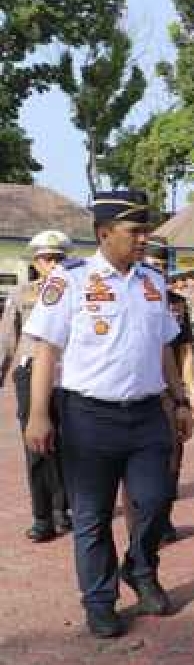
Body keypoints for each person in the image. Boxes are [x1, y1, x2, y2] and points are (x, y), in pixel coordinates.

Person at [23, 190, 194, 638]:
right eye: (134, 231)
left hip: (147, 415)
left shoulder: (152, 282)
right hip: (88, 417)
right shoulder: (70, 280)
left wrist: (179, 400)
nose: (143, 239)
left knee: (155, 500)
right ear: (104, 233)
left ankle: (139, 567)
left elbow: (164, 347)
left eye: (145, 231)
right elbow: (46, 350)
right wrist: (39, 414)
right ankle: (99, 601)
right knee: (92, 516)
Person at [1, 230, 73, 541]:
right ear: (36, 262)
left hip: (70, 374)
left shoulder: (77, 291)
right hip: (31, 372)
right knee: (36, 444)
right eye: (47, 259)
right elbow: (8, 335)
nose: (53, 264)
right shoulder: (22, 294)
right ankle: (42, 516)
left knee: (67, 443)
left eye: (59, 258)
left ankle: (62, 509)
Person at [142, 239, 194, 543]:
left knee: (173, 456)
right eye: (153, 265)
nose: (159, 271)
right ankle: (144, 520)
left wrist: (191, 392)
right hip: (139, 389)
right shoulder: (130, 295)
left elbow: (185, 350)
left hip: (170, 391)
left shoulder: (177, 303)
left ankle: (163, 518)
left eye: (163, 267)